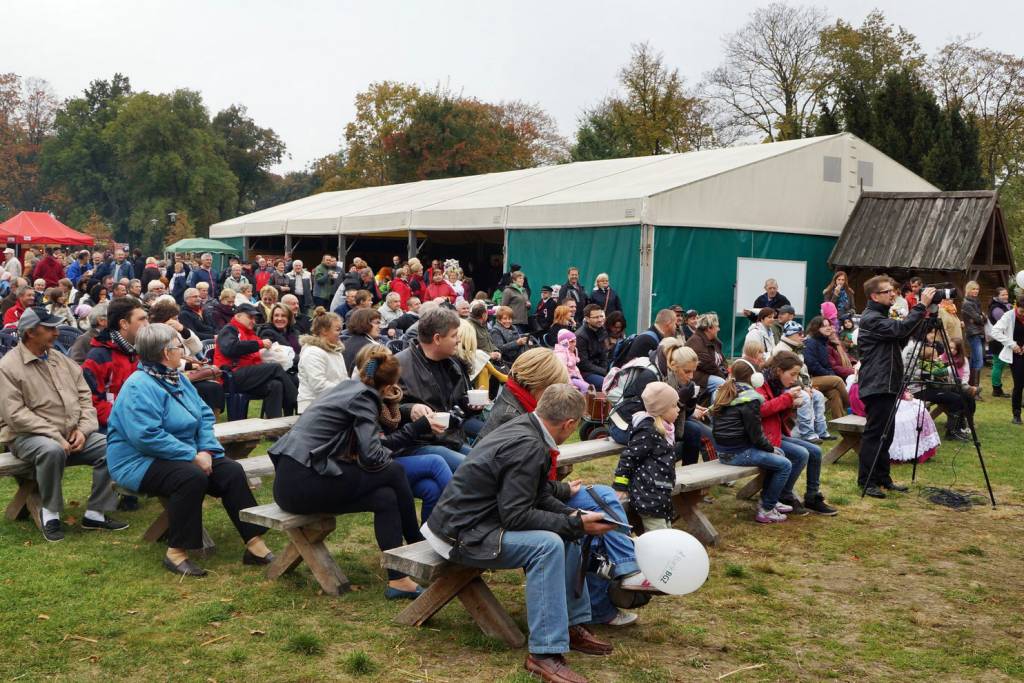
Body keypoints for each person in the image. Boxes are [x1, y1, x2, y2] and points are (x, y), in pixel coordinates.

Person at [424, 385, 618, 681]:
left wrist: (572, 517)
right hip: (461, 533)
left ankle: (570, 624)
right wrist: (576, 524)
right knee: (548, 545)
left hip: (474, 522)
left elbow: (534, 494)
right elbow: (516, 516)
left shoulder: (528, 427)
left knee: (566, 531)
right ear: (570, 424)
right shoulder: (529, 445)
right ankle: (544, 654)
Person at [269, 347, 437, 598]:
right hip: (303, 482)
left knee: (385, 497)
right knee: (394, 471)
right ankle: (417, 544)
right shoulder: (364, 398)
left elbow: (370, 451)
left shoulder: (347, 387)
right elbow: (373, 455)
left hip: (291, 482)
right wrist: (416, 429)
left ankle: (399, 580)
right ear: (389, 385)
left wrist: (411, 430)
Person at [105, 323, 272, 576]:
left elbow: (204, 415)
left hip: (183, 453)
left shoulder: (177, 378)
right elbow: (146, 436)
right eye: (177, 346)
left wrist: (205, 450)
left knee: (231, 471)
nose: (182, 350)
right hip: (138, 460)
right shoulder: (138, 386)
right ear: (165, 353)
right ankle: (176, 553)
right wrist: (192, 456)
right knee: (191, 477)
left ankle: (254, 544)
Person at [0, 307, 126, 542]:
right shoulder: (7, 367)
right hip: (26, 436)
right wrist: (54, 435)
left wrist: (84, 429)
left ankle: (96, 513)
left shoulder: (60, 359)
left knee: (113, 445)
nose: (56, 333)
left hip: (71, 433)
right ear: (30, 332)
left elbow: (85, 398)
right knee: (51, 450)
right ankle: (50, 513)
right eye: (49, 328)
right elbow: (15, 414)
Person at [857, 276, 934, 497]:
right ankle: (867, 481)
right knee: (875, 434)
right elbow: (900, 330)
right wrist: (921, 306)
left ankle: (883, 478)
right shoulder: (871, 318)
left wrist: (922, 318)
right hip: (877, 383)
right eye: (887, 291)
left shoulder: (881, 316)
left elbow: (901, 336)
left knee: (887, 434)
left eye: (893, 290)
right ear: (875, 296)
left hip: (888, 382)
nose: (893, 294)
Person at [395, 306, 485, 469]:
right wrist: (410, 409)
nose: (458, 340)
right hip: (416, 444)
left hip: (449, 439)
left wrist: (470, 406)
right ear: (437, 339)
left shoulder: (452, 363)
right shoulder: (398, 366)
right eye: (454, 335)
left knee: (489, 462)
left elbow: (455, 409)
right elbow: (382, 409)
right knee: (476, 469)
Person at [710, 359, 794, 524]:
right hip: (738, 453)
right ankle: (767, 509)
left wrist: (770, 449)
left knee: (779, 454)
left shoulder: (724, 391)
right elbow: (756, 435)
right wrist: (770, 448)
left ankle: (769, 499)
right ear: (755, 378)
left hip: (723, 452)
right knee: (784, 464)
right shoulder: (749, 399)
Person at [758, 352, 838, 515]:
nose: (795, 379)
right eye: (792, 374)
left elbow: (777, 416)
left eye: (797, 375)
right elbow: (761, 410)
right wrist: (788, 399)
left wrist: (792, 405)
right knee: (801, 454)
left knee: (816, 451)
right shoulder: (761, 384)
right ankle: (784, 494)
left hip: (775, 434)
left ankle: (812, 496)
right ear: (779, 371)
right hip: (763, 438)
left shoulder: (777, 384)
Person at [612, 381, 688, 530]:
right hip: (648, 495)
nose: (678, 409)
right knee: (659, 537)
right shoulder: (647, 431)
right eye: (674, 406)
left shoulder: (664, 430)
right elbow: (628, 458)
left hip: (660, 492)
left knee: (666, 532)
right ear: (661, 409)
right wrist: (620, 485)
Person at [213, 303, 298, 418]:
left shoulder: (250, 333)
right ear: (238, 316)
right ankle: (297, 401)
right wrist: (259, 344)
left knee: (275, 385)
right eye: (250, 317)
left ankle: (274, 424)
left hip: (248, 376)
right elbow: (230, 348)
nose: (253, 321)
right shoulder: (229, 329)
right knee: (275, 368)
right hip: (231, 375)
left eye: (254, 318)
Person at [82, 297, 149, 430]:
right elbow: (92, 403)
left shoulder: (140, 349)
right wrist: (129, 420)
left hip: (143, 418)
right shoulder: (98, 357)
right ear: (124, 324)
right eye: (142, 319)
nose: (147, 324)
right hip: (115, 425)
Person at [148, 299, 224, 414]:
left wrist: (184, 331)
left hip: (187, 372)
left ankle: (211, 418)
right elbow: (164, 360)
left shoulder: (177, 331)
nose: (177, 321)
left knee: (214, 388)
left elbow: (198, 347)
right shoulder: (155, 335)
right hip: (170, 376)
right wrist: (189, 366)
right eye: (174, 318)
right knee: (208, 389)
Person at [296, 309, 347, 413]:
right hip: (313, 408)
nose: (340, 333)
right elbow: (319, 385)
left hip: (333, 404)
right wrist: (346, 390)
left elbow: (343, 378)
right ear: (324, 331)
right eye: (337, 330)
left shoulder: (336, 351)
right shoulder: (312, 352)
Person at [803, 316, 852, 419]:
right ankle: (852, 407)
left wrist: (830, 374)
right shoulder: (811, 342)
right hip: (809, 380)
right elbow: (812, 365)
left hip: (821, 377)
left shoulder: (823, 343)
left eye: (829, 325)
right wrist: (829, 375)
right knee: (837, 380)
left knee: (835, 393)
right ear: (816, 328)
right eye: (824, 326)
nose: (829, 328)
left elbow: (827, 365)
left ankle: (839, 422)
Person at [456, 319, 507, 392]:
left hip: (482, 358)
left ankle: (483, 394)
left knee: (483, 368)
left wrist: (496, 351)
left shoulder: (483, 326)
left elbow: (492, 343)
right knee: (479, 355)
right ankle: (497, 374)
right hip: (479, 358)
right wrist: (489, 354)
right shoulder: (469, 326)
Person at [684, 312, 727, 394]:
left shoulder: (715, 341)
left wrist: (725, 371)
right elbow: (707, 365)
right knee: (721, 383)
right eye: (717, 326)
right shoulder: (695, 341)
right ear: (709, 328)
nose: (719, 329)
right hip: (698, 376)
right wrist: (723, 376)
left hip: (713, 374)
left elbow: (723, 360)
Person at [257, 302, 302, 375]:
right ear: (272, 317)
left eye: (283, 316)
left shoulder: (295, 332)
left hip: (299, 370)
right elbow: (280, 357)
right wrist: (303, 361)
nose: (279, 318)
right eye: (276, 315)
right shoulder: (267, 333)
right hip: (283, 374)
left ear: (289, 318)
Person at [961, 281, 986, 397]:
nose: (976, 291)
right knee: (979, 361)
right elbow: (979, 318)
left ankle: (970, 388)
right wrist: (981, 317)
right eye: (973, 289)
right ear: (968, 289)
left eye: (977, 289)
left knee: (974, 360)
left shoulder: (976, 302)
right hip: (973, 333)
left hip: (979, 332)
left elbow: (983, 318)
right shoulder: (967, 303)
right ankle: (974, 391)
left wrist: (981, 317)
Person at [575, 304, 609, 387]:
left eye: (601, 316)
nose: (600, 320)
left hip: (599, 370)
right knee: (607, 385)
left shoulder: (601, 331)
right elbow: (583, 364)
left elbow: (603, 356)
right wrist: (604, 372)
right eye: (596, 317)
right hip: (585, 373)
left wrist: (605, 370)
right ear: (587, 319)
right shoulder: (580, 336)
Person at [342, 307, 384, 373]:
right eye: (377, 323)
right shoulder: (372, 348)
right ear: (365, 323)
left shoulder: (346, 343)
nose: (380, 326)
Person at [989, 287, 1013, 398]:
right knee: (998, 364)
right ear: (997, 296)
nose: (1005, 296)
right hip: (998, 340)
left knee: (1001, 364)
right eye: (1003, 295)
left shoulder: (1007, 306)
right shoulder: (996, 309)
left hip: (1004, 339)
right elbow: (1007, 324)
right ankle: (996, 389)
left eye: (1006, 294)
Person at [554, 329, 589, 393]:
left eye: (575, 341)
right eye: (571, 341)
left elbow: (575, 369)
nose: (575, 344)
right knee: (586, 388)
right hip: (567, 381)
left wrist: (581, 380)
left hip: (573, 378)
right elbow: (563, 372)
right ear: (564, 343)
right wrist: (571, 385)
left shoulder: (570, 352)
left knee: (587, 387)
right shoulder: (560, 355)